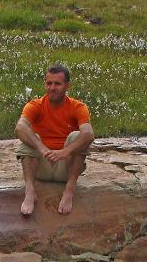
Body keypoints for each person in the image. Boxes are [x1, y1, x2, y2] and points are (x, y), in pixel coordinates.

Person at [14, 63, 95, 216]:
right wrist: (42, 148)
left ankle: (69, 190)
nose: (52, 88)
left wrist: (65, 152)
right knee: (30, 137)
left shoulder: (78, 107)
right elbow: (20, 127)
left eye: (57, 84)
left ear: (67, 85)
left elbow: (89, 134)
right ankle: (30, 191)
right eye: (48, 83)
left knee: (77, 136)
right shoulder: (35, 105)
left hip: (66, 166)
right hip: (42, 165)